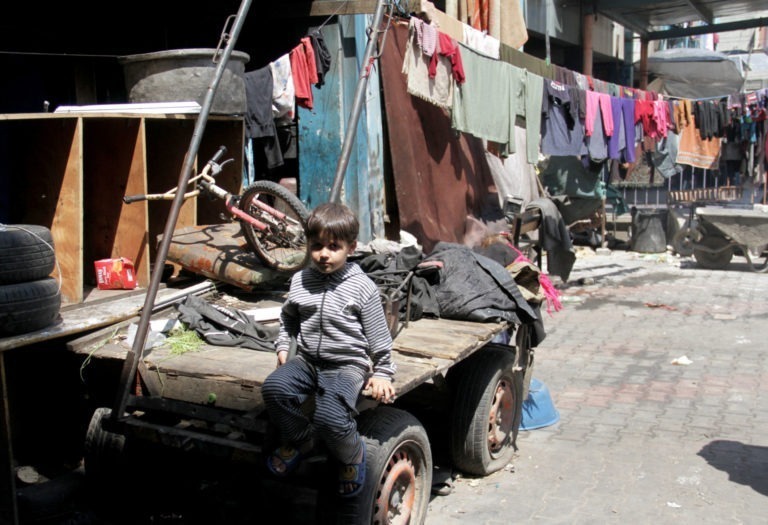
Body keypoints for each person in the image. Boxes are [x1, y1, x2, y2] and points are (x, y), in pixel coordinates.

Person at [261, 201, 397, 498]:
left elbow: (379, 336)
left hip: (347, 365)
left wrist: (383, 373)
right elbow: (288, 317)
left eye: (334, 246)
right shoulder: (300, 280)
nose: (324, 254)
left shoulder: (362, 287)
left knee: (331, 418)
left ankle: (352, 454)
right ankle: (301, 440)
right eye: (317, 245)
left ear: (351, 247)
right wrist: (284, 345)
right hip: (309, 360)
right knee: (274, 388)